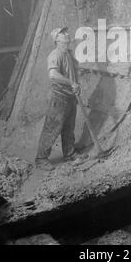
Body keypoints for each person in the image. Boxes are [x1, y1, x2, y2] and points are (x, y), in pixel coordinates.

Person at [35, 27, 83, 171]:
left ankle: (69, 153)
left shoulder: (68, 53)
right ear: (57, 39)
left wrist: (77, 85)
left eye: (66, 32)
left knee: (69, 128)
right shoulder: (55, 55)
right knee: (52, 129)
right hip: (59, 98)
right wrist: (71, 83)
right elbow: (53, 75)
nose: (67, 34)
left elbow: (73, 74)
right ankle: (41, 159)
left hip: (70, 97)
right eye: (63, 33)